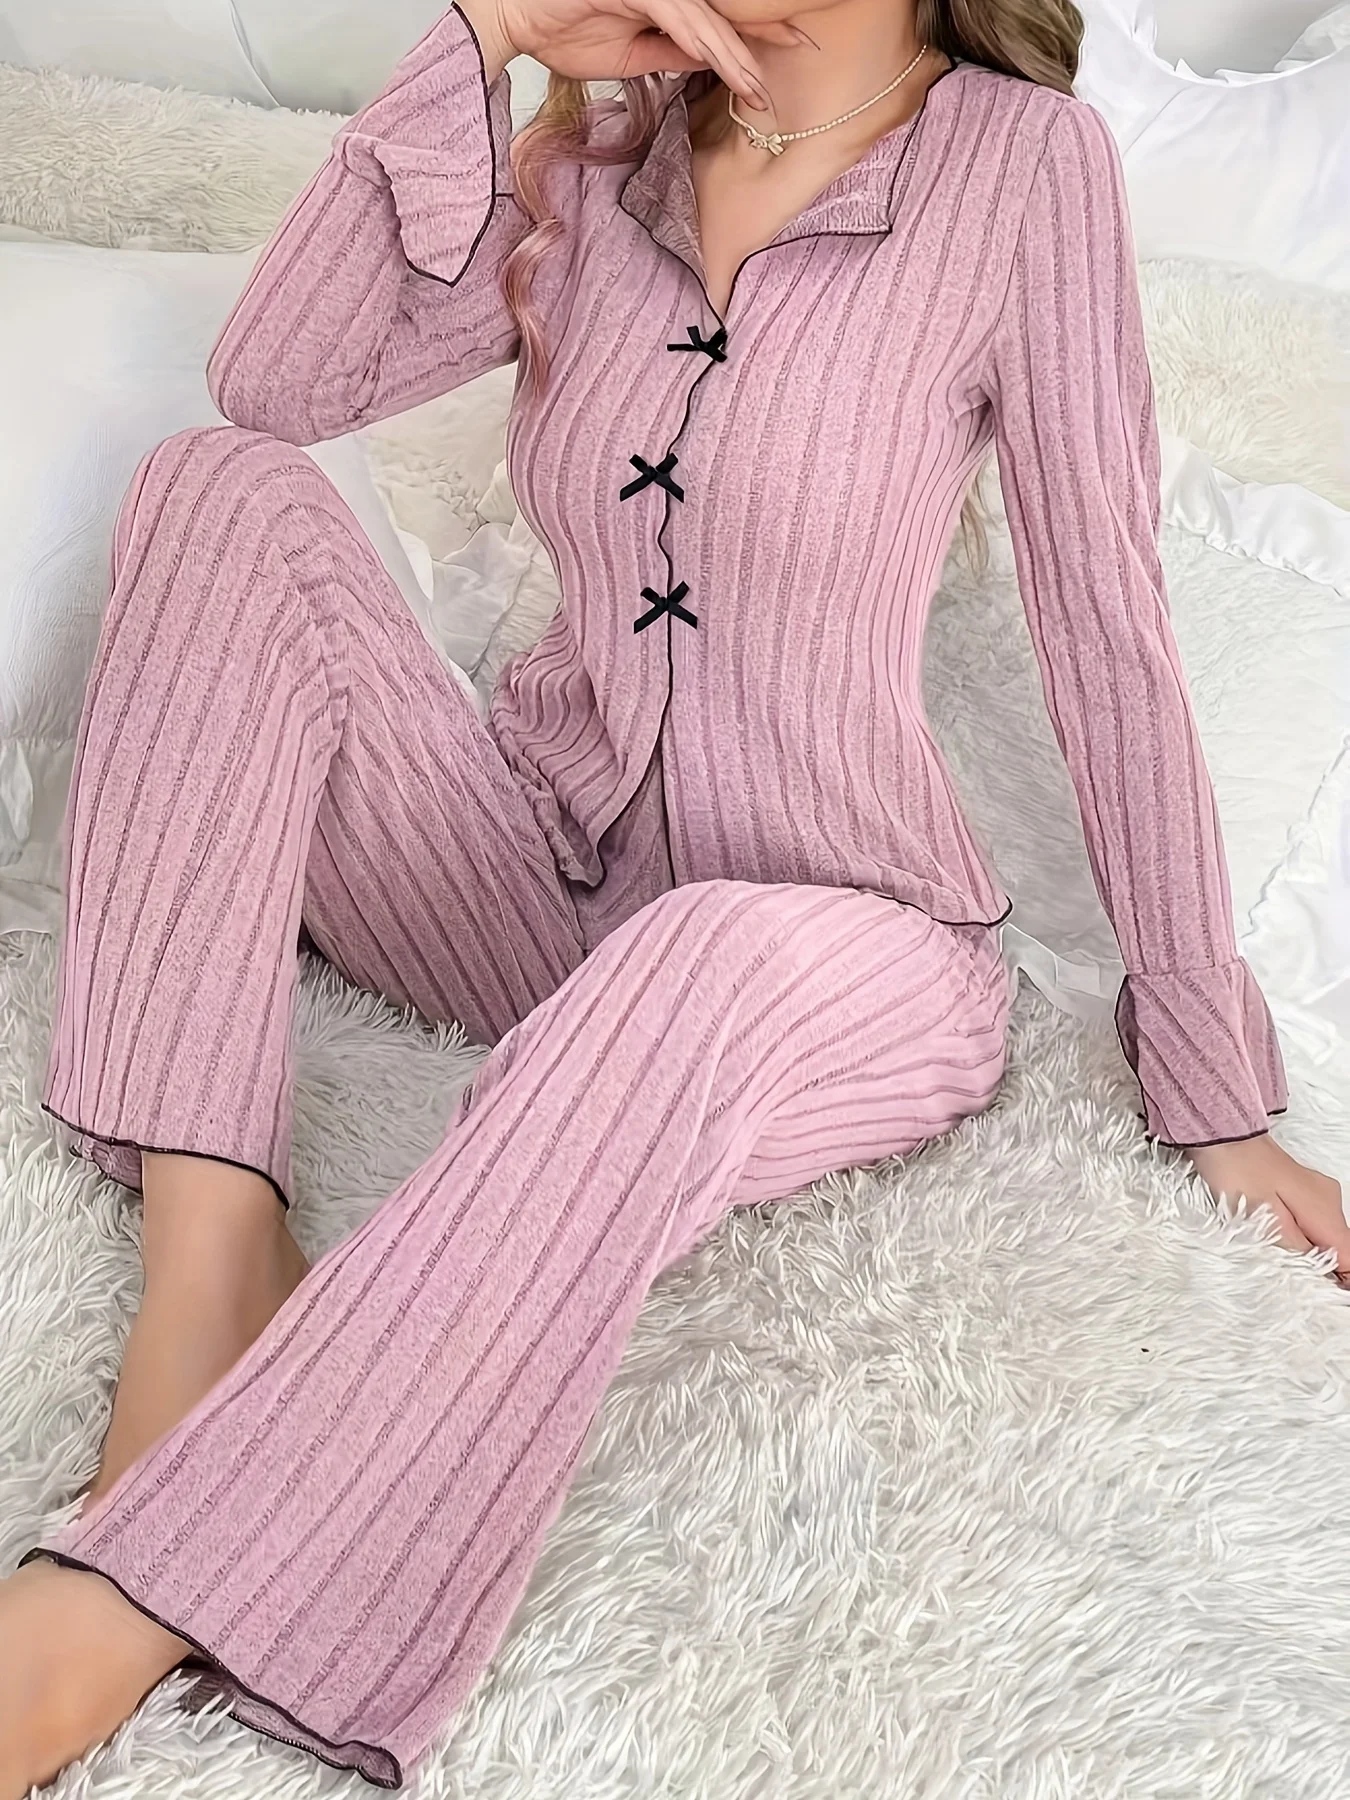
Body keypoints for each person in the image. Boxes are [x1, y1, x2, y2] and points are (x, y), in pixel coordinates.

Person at [3, 0, 1345, 1789]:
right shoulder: (609, 150)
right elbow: (279, 383)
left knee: (704, 950)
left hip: (837, 936)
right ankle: (213, 1258)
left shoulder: (1021, 169)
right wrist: (481, 37)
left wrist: (1211, 1087)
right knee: (219, 489)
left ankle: (139, 1598)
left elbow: (1106, 624)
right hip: (531, 881)